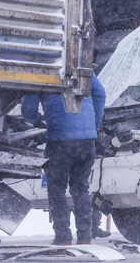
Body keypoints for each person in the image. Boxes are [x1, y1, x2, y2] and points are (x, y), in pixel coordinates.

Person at [21, 74, 106, 246]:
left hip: (60, 140)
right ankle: (85, 237)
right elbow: (100, 93)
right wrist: (94, 123)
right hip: (87, 140)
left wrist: (37, 121)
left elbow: (28, 109)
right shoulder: (82, 66)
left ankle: (63, 237)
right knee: (81, 188)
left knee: (57, 189)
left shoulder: (43, 69)